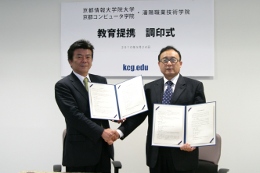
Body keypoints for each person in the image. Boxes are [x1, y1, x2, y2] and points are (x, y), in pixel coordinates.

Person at [116, 46, 206, 173]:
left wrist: (194, 143)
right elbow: (138, 116)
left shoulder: (194, 86)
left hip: (183, 152)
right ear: (159, 64)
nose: (169, 63)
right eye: (165, 60)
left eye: (173, 60)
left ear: (180, 63)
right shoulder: (149, 88)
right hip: (157, 153)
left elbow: (199, 118)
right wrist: (120, 132)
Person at [55, 39, 117, 173]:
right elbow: (74, 116)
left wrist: (116, 116)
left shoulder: (100, 81)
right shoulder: (63, 85)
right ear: (70, 61)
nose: (84, 60)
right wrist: (101, 132)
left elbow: (105, 106)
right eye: (79, 57)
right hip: (79, 153)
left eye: (88, 57)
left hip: (103, 148)